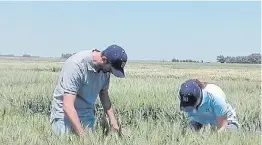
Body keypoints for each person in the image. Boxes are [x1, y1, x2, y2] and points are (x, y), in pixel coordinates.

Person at [50, 44, 127, 137]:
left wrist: (114, 123)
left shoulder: (105, 69)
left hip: (86, 114)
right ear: (104, 59)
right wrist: (83, 137)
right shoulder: (76, 65)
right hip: (64, 117)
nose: (110, 73)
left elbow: (104, 94)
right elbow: (67, 106)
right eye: (110, 70)